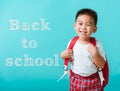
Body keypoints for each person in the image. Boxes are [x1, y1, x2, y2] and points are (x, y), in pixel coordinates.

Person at [60, 8, 107, 91]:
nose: (83, 27)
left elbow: (101, 65)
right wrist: (63, 55)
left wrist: (95, 54)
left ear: (94, 29)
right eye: (80, 24)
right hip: (76, 78)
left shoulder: (97, 44)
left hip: (93, 79)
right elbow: (69, 58)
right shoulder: (72, 42)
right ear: (75, 26)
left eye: (88, 25)